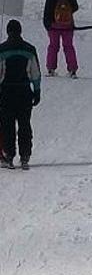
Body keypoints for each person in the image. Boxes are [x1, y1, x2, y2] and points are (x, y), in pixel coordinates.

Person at [0, 20, 41, 170]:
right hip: (24, 91)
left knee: (7, 125)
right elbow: (35, 73)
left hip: (6, 92)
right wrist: (37, 91)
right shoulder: (30, 49)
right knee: (25, 124)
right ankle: (25, 156)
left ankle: (9, 155)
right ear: (20, 31)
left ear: (8, 31)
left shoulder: (2, 50)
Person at [42, 0, 78, 78]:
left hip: (53, 25)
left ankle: (51, 68)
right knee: (68, 46)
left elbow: (47, 10)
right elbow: (75, 7)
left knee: (53, 46)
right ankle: (72, 69)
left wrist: (47, 24)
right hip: (68, 25)